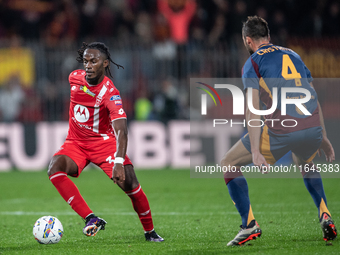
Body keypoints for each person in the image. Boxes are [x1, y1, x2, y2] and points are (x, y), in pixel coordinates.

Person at [221, 16, 337, 246]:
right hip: (312, 124)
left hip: (283, 128)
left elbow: (253, 110)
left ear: (248, 40)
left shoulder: (252, 63)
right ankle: (325, 213)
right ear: (269, 36)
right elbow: (313, 94)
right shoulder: (293, 55)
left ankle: (249, 224)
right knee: (303, 158)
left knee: (228, 163)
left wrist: (255, 150)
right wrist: (322, 135)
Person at [47, 42, 164, 242]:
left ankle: (150, 232)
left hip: (104, 144)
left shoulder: (110, 93)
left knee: (131, 185)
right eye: (86, 61)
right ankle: (91, 219)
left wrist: (118, 162)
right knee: (54, 169)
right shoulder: (74, 78)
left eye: (94, 61)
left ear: (105, 63)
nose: (88, 65)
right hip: (76, 142)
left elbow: (121, 130)